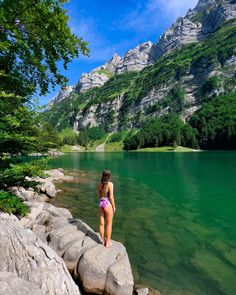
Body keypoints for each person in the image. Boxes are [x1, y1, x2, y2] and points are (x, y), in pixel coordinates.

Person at [98, 170, 116, 247]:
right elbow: (111, 197)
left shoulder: (99, 184)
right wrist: (114, 206)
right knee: (109, 224)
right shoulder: (110, 184)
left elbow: (99, 196)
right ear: (109, 176)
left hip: (101, 202)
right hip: (107, 203)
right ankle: (108, 242)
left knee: (101, 223)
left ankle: (102, 240)